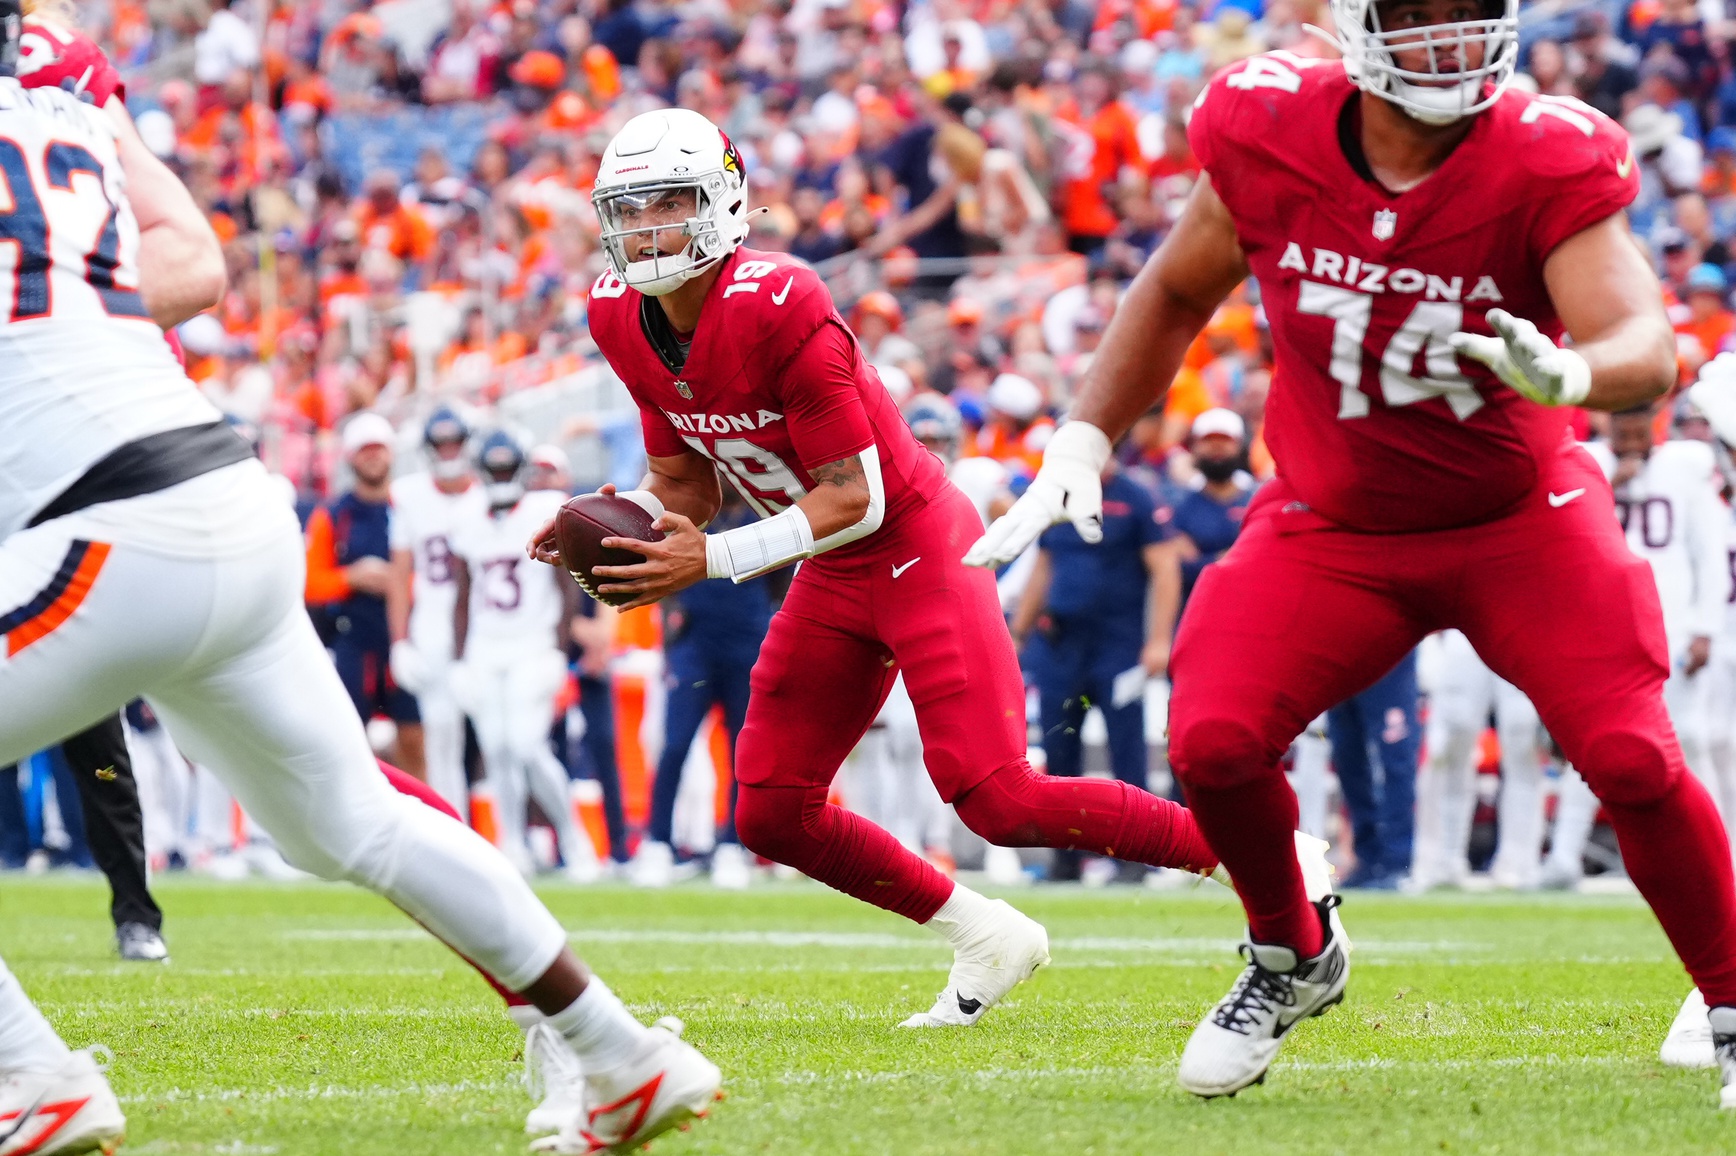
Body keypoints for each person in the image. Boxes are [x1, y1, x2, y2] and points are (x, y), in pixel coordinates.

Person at [967, 0, 1736, 1104]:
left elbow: (1638, 339)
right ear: (1358, 24)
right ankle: (1290, 951)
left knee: (1629, 756)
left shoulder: (1540, 151)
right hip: (1333, 518)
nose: (1446, 39)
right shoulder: (1263, 123)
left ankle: (1726, 998)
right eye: (1418, 15)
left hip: (1515, 514)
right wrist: (1082, 436)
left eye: (1467, 13)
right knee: (1214, 738)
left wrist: (1569, 376)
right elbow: (1179, 287)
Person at [0, 21, 717, 1151]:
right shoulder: (67, 113)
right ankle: (619, 1053)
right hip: (227, 498)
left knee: (355, 815)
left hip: (104, 525)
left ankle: (28, 1073)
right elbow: (173, 257)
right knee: (352, 820)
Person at [528, 109, 1332, 1041]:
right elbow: (683, 478)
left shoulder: (778, 302)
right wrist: (628, 527)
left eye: (671, 202)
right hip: (827, 561)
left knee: (996, 794)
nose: (649, 228)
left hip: (910, 540)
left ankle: (1265, 853)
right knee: (775, 810)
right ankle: (986, 934)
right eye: (632, 209)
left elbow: (856, 494)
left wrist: (709, 560)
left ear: (726, 201)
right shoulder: (618, 315)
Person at [1545, 405, 1730, 891]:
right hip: (1603, 627)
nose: (1631, 438)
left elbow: (1707, 552)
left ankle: (1718, 856)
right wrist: (1614, 481)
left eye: (1638, 427)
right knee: (1592, 747)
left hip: (1670, 625)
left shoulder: (1684, 469)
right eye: (1621, 427)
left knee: (1690, 740)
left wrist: (1704, 627)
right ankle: (1564, 856)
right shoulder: (1587, 464)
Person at [1010, 456, 1178, 883]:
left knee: (1127, 753)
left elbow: (1165, 569)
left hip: (1117, 646)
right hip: (1062, 644)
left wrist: (1159, 639)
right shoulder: (1058, 493)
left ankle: (1135, 857)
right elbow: (1043, 567)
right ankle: (1066, 858)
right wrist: (1018, 632)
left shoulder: (1136, 497)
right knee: (1059, 750)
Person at [451, 430, 600, 881]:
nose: (499, 477)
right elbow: (463, 594)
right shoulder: (466, 515)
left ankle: (575, 841)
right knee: (495, 749)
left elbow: (567, 583)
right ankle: (511, 845)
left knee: (525, 744)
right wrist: (459, 657)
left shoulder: (543, 509)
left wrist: (559, 648)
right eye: (492, 469)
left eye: (504, 468)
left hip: (533, 645)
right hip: (486, 647)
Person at [630, 485, 776, 890]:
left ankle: (731, 845)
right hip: (695, 644)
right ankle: (658, 842)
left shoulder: (763, 514)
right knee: (675, 744)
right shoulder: (689, 512)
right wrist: (674, 618)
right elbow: (660, 568)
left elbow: (781, 579)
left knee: (741, 752)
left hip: (746, 643)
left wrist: (761, 621)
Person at [306, 413, 424, 775]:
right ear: (351, 457)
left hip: (406, 635)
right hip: (353, 638)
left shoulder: (409, 506)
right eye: (364, 450)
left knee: (415, 739)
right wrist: (351, 578)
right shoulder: (334, 515)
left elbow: (437, 574)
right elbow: (310, 583)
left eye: (379, 449)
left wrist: (400, 583)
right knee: (351, 743)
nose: (373, 457)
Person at [389, 406, 487, 816]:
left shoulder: (488, 494)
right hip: (431, 627)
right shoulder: (410, 496)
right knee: (442, 740)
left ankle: (522, 840)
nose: (448, 452)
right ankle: (458, 831)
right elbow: (400, 573)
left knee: (504, 742)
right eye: (440, 444)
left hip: (487, 630)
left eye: (454, 443)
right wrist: (400, 641)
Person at [1411, 629, 1548, 891]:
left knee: (1523, 744)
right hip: (1463, 626)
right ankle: (1443, 857)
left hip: (1519, 624)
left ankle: (1518, 860)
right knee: (1449, 746)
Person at [1324, 650, 1420, 889]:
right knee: (1347, 756)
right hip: (1342, 654)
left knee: (1396, 758)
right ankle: (1367, 856)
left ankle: (1398, 860)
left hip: (1389, 656)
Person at [1169, 408, 1255, 612]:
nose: (1217, 448)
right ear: (1194, 446)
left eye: (1225, 440)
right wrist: (1237, 556)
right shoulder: (1179, 502)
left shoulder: (1257, 498)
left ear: (1240, 445)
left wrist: (1208, 560)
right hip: (1196, 608)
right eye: (1208, 441)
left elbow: (1263, 563)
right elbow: (1178, 566)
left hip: (1249, 606)